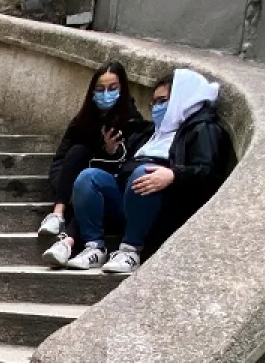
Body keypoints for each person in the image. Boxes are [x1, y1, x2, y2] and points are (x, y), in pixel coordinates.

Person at [50, 68, 232, 274]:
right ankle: (93, 247)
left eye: (163, 101)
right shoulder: (151, 132)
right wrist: (112, 153)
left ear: (182, 98)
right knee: (89, 177)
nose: (157, 107)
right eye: (154, 102)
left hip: (163, 203)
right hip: (127, 195)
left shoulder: (202, 128)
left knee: (143, 173)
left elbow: (208, 171)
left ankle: (130, 250)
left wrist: (173, 175)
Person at [37, 61, 150, 259]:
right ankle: (58, 214)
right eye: (100, 89)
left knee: (88, 186)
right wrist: (67, 190)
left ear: (122, 89)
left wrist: (109, 151)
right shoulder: (83, 120)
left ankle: (68, 242)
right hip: (71, 185)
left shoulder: (132, 122)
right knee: (78, 153)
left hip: (106, 189)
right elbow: (61, 160)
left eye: (113, 88)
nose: (106, 94)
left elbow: (126, 166)